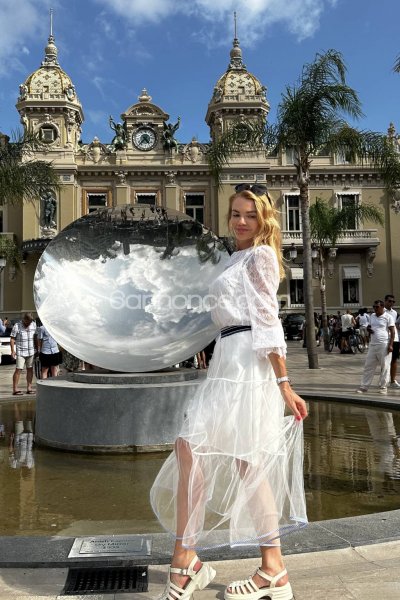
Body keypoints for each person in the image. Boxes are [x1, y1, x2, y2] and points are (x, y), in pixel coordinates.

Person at [150, 184, 308, 600]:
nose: (241, 221)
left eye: (250, 215)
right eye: (236, 213)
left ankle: (264, 569)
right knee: (201, 451)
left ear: (264, 219)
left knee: (241, 461)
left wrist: (284, 383)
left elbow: (267, 320)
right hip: (227, 356)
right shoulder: (236, 256)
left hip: (247, 360)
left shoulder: (260, 256)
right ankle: (194, 560)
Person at [356, 300, 395, 395]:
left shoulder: (388, 317)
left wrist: (390, 345)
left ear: (382, 307)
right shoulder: (372, 316)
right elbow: (369, 326)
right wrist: (369, 329)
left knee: (385, 366)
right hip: (373, 344)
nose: (375, 309)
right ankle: (364, 386)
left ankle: (383, 387)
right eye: (374, 307)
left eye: (377, 307)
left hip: (384, 344)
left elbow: (392, 332)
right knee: (368, 366)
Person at [10, 313, 37, 395]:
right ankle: (15, 389)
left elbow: (36, 337)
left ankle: (29, 388)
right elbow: (12, 339)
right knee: (18, 370)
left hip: (31, 351)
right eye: (27, 322)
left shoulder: (34, 325)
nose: (28, 324)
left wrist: (37, 349)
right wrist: (12, 351)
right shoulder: (17, 326)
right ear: (24, 319)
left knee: (30, 369)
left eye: (30, 322)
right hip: (21, 352)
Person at [384, 294, 400, 389]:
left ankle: (393, 381)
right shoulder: (381, 311)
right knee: (384, 361)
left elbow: (396, 325)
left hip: (395, 339)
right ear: (385, 301)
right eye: (390, 301)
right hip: (385, 339)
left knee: (394, 360)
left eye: (393, 301)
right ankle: (384, 381)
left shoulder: (395, 313)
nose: (391, 303)